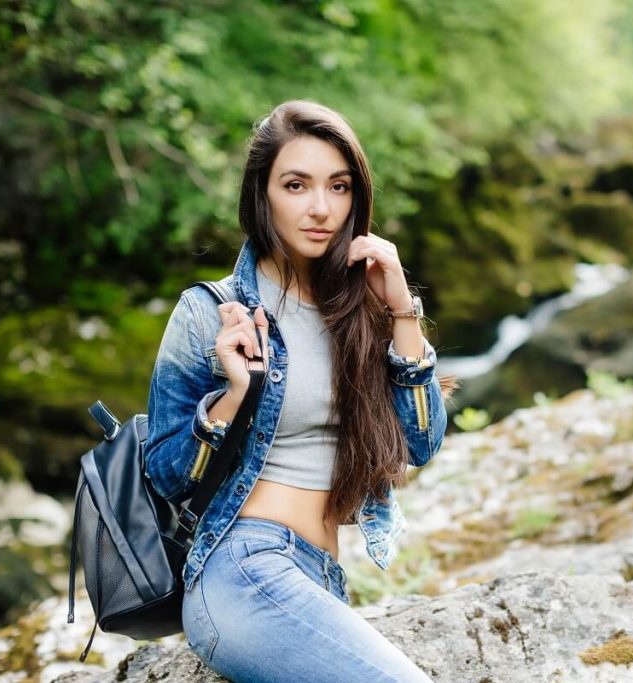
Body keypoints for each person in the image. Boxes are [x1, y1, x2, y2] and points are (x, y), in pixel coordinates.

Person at [143, 100, 453, 682]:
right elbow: (164, 474)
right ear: (262, 195)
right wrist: (233, 396)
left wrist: (402, 310)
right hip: (241, 570)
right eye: (296, 185)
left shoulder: (361, 307)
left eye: (338, 187)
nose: (321, 209)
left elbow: (420, 443)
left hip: (321, 578)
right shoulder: (209, 312)